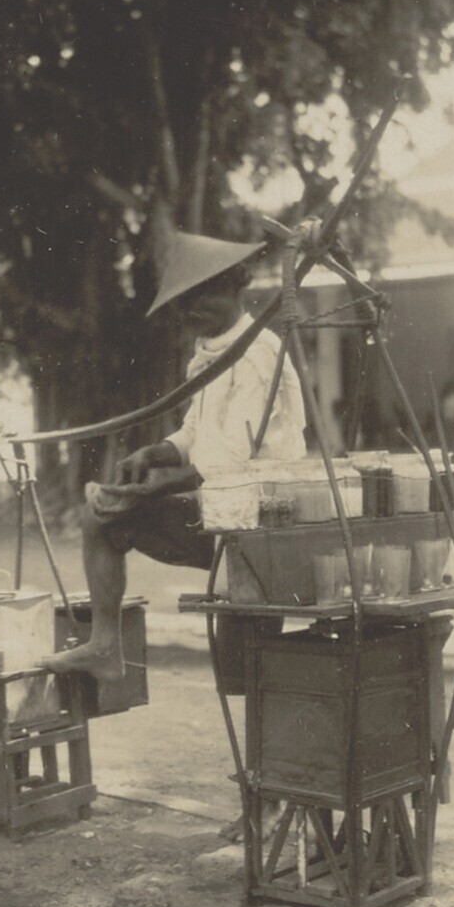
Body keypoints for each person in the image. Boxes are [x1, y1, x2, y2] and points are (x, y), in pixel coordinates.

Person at [43, 230, 307, 681]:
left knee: (247, 672)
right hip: (222, 510)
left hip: (265, 521)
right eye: (183, 304)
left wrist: (152, 490)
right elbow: (196, 432)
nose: (190, 312)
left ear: (233, 287)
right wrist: (154, 455)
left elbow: (229, 458)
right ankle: (105, 647)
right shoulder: (209, 353)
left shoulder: (257, 354)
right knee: (101, 521)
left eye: (200, 298)